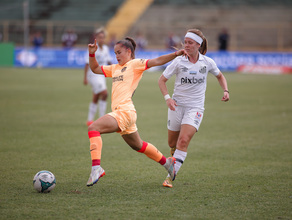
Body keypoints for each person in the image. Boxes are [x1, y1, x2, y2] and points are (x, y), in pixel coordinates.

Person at [86, 36, 186, 186]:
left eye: (119, 52)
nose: (116, 56)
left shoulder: (134, 64)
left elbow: (157, 61)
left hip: (124, 112)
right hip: (125, 113)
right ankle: (168, 164)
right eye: (115, 53)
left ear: (128, 51)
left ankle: (96, 168)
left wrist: (175, 54)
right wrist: (92, 54)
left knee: (93, 128)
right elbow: (94, 68)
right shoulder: (114, 68)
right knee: (138, 145)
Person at [158, 29, 230, 188]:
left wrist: (225, 90)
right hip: (176, 106)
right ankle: (174, 157)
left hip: (195, 107)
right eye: (185, 42)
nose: (186, 45)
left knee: (183, 141)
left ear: (199, 44)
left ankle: (170, 176)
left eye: (190, 42)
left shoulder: (207, 62)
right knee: (172, 142)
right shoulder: (178, 61)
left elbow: (220, 76)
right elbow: (161, 81)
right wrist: (168, 98)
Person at [84, 28, 112, 126]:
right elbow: (87, 64)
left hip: (101, 75)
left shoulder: (106, 48)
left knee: (96, 96)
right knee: (104, 94)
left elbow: (108, 61)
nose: (102, 39)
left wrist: (115, 70)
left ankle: (90, 120)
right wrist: (85, 78)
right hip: (93, 75)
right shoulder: (92, 48)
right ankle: (102, 118)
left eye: (103, 37)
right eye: (100, 37)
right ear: (95, 38)